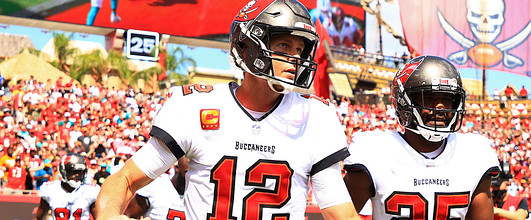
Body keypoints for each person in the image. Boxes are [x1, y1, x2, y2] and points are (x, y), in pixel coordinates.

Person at [95, 0, 360, 219]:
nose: (296, 59)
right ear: (248, 47)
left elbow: (340, 211)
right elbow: (125, 180)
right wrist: (109, 215)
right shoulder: (195, 106)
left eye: (300, 50)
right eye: (284, 45)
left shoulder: (316, 118)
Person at [343, 55, 500, 219]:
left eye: (447, 99)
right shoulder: (375, 150)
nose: (440, 107)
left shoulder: (473, 153)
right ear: (404, 102)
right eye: (429, 97)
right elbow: (340, 216)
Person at [34, 154, 101, 220]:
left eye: (80, 172)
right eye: (73, 172)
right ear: (63, 171)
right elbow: (38, 217)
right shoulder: (50, 189)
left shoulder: (89, 191)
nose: (77, 175)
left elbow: (99, 218)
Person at [123, 157, 189, 219]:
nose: (191, 178)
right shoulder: (156, 186)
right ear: (177, 168)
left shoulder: (197, 193)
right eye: (187, 173)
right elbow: (127, 216)